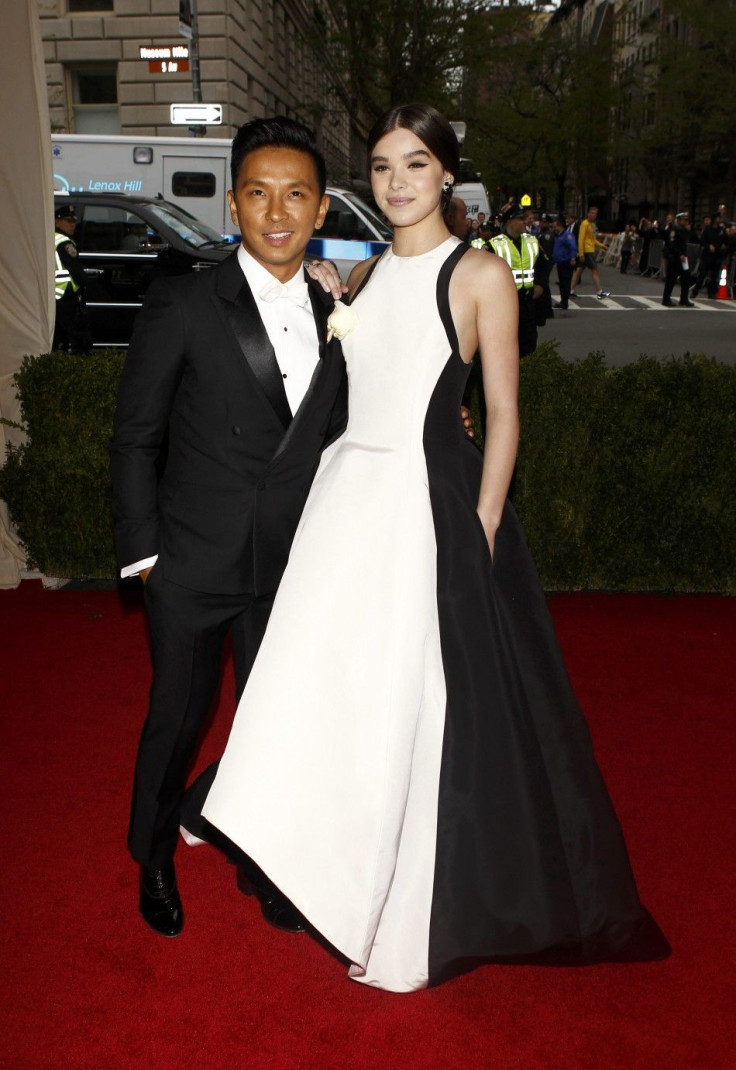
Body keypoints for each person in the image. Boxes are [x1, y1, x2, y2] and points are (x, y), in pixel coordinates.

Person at [202, 103, 670, 992]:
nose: (398, 181)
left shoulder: (481, 272)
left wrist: (484, 520)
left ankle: (395, 907)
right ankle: (304, 843)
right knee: (323, 682)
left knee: (407, 700)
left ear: (446, 173)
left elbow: (502, 410)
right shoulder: (367, 270)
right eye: (382, 167)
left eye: (415, 164)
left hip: (420, 507)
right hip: (346, 501)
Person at [110, 117, 351, 939]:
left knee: (275, 722)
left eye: (295, 195)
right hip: (191, 560)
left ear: (320, 209)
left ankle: (260, 858)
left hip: (290, 561)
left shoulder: (335, 302)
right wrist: (144, 557)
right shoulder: (184, 300)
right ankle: (152, 855)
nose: (276, 212)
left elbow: (341, 423)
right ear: (234, 204)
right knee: (177, 719)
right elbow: (136, 434)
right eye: (258, 193)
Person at [488, 204, 549, 356]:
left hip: (528, 303)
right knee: (506, 350)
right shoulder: (494, 244)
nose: (525, 222)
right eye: (520, 219)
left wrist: (540, 285)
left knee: (528, 347)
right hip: (504, 306)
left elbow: (544, 264)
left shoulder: (532, 241)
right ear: (510, 221)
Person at [53, 203, 91, 352]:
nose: (73, 225)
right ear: (57, 221)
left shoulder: (51, 237)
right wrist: (85, 284)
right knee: (73, 335)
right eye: (68, 221)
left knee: (57, 337)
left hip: (53, 295)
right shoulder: (63, 242)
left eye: (74, 221)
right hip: (64, 295)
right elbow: (76, 270)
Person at [569, 205, 610, 299]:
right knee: (594, 270)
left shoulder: (591, 225)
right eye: (592, 213)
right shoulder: (585, 224)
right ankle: (599, 291)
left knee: (579, 271)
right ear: (588, 213)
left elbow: (592, 239)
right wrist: (581, 253)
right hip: (587, 251)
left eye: (595, 214)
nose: (593, 215)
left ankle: (570, 290)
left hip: (588, 250)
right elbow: (581, 239)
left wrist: (601, 245)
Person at [662, 211, 694, 307]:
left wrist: (688, 230)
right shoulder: (674, 229)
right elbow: (672, 244)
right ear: (679, 220)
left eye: (687, 220)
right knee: (671, 279)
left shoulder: (683, 229)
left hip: (683, 259)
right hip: (675, 258)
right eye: (684, 220)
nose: (686, 222)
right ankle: (666, 299)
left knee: (686, 278)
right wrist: (679, 254)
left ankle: (684, 299)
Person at [551, 214, 577, 309]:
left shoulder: (567, 235)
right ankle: (563, 300)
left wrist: (573, 258)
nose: (554, 228)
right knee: (562, 282)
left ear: (560, 225)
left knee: (565, 283)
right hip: (559, 262)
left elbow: (573, 247)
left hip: (566, 262)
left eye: (555, 226)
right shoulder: (556, 235)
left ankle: (565, 302)